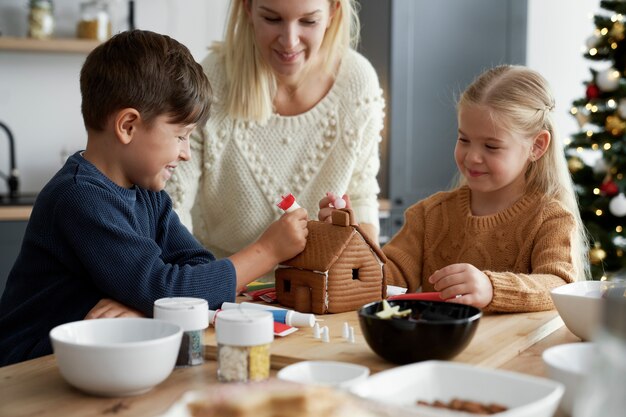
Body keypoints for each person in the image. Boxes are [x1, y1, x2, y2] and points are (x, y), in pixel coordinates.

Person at [0, 29, 308, 366]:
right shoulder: (79, 198)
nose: (187, 153)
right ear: (128, 126)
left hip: (96, 357)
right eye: (180, 136)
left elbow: (197, 267)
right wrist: (268, 251)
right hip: (29, 366)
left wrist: (146, 305)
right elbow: (165, 288)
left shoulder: (148, 196)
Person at [165, 0, 385, 265]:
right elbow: (173, 206)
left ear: (333, 12)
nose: (290, 42)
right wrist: (187, 286)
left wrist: (360, 252)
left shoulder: (358, 82)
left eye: (308, 21)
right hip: (222, 283)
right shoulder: (212, 80)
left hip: (319, 288)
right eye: (272, 19)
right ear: (248, 8)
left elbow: (361, 195)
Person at [381, 65, 589, 313]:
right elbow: (385, 277)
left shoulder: (551, 219)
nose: (472, 157)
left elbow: (558, 285)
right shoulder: (429, 215)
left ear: (537, 146)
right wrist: (347, 239)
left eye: (491, 146)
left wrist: (492, 288)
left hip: (516, 351)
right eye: (464, 140)